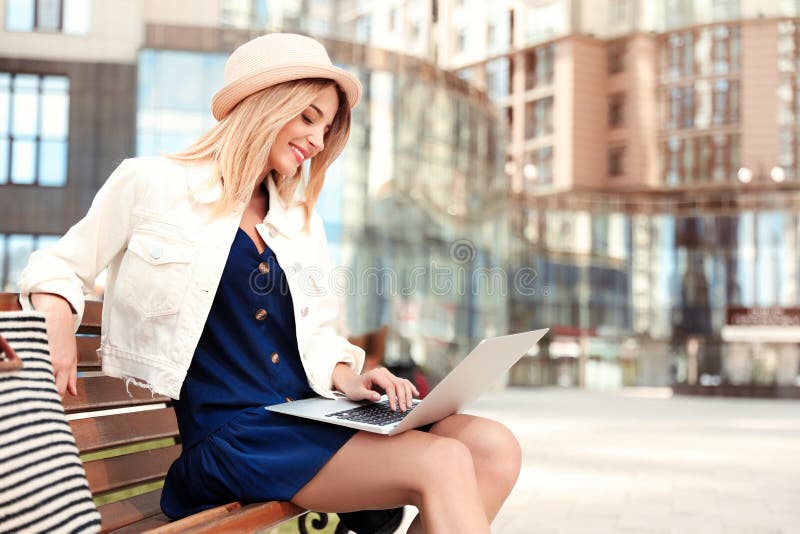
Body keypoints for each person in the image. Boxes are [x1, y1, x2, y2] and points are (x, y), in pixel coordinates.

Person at [18, 33, 521, 533]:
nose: (318, 141)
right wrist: (58, 320)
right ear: (262, 104)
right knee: (443, 462)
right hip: (232, 436)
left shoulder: (300, 221)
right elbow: (58, 264)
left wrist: (351, 378)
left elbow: (319, 335)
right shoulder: (153, 184)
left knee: (495, 448)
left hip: (310, 417)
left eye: (326, 127)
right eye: (308, 117)